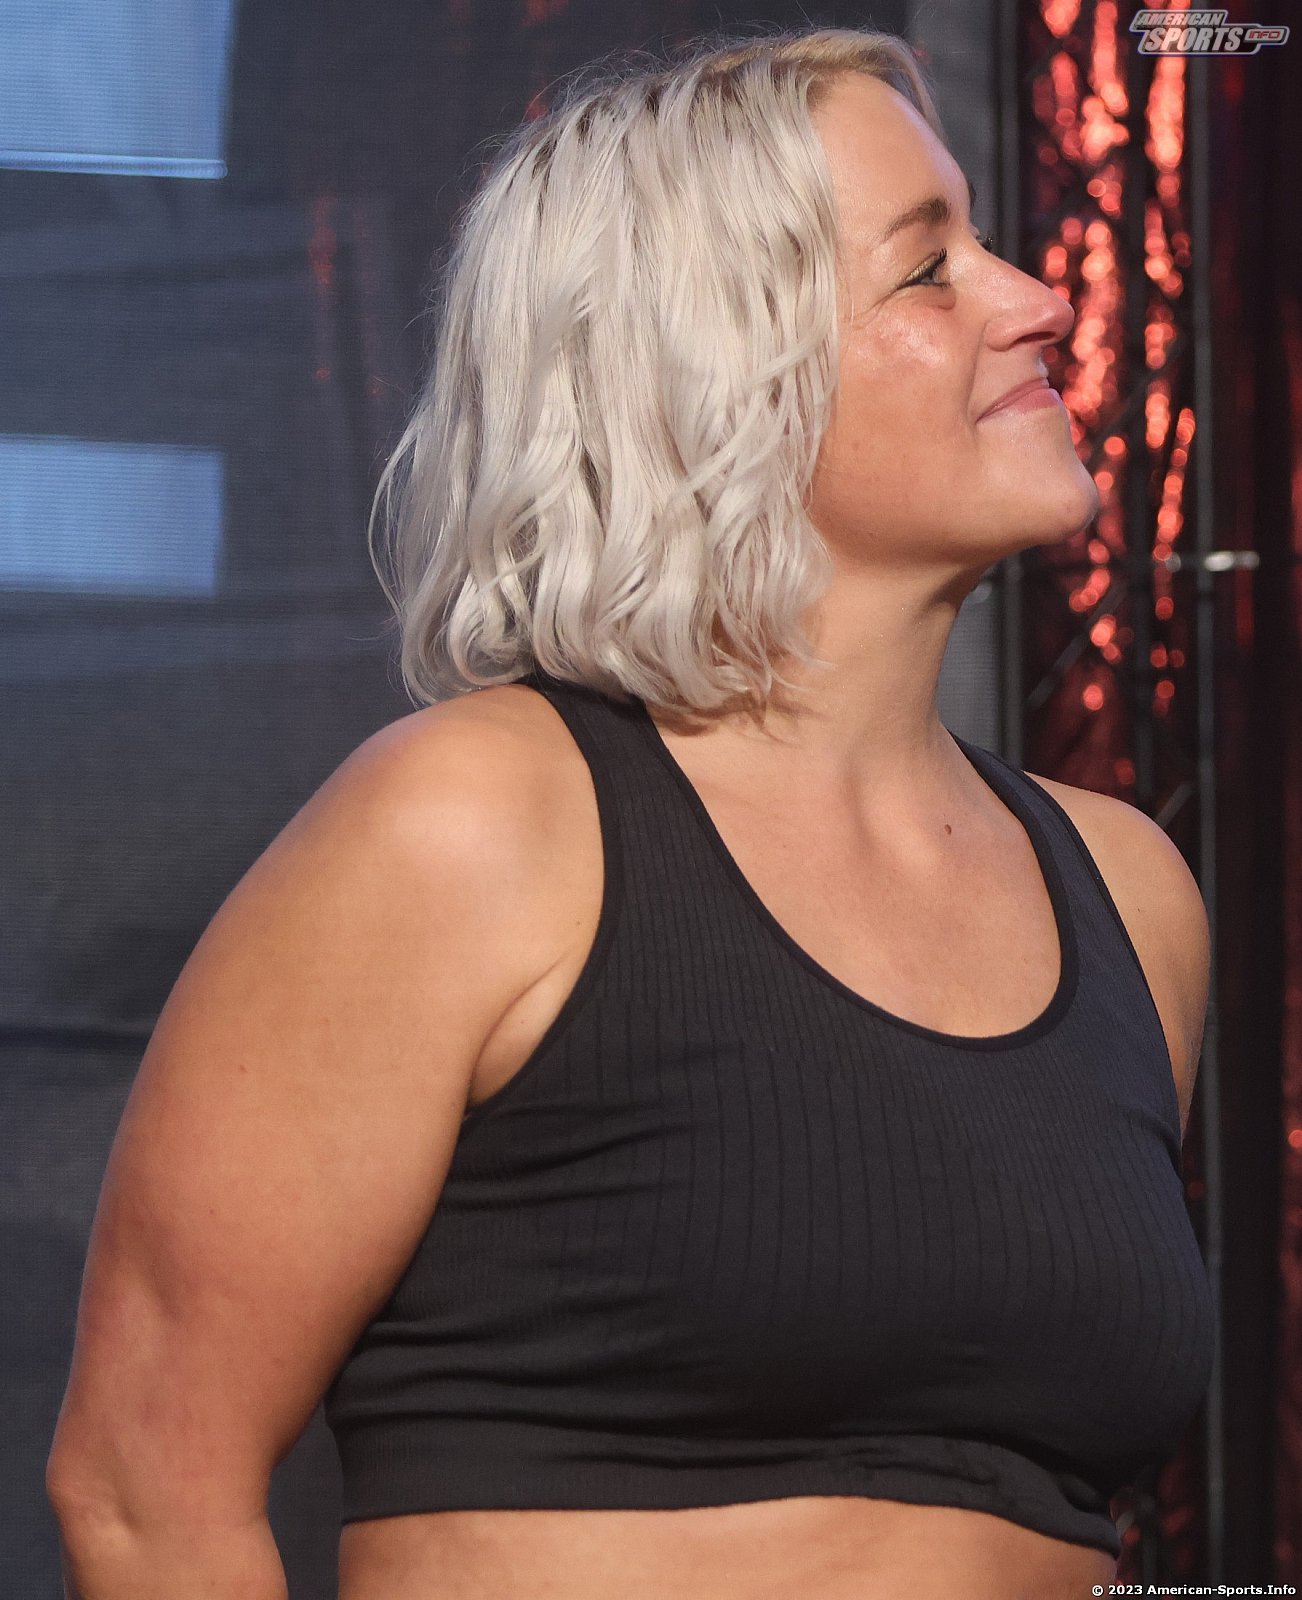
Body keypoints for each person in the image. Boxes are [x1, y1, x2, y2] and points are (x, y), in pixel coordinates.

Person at [46, 25, 1215, 1600]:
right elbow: (144, 1492)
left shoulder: (1126, 891)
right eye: (927, 268)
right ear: (712, 374)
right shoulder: (473, 824)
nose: (1038, 300)